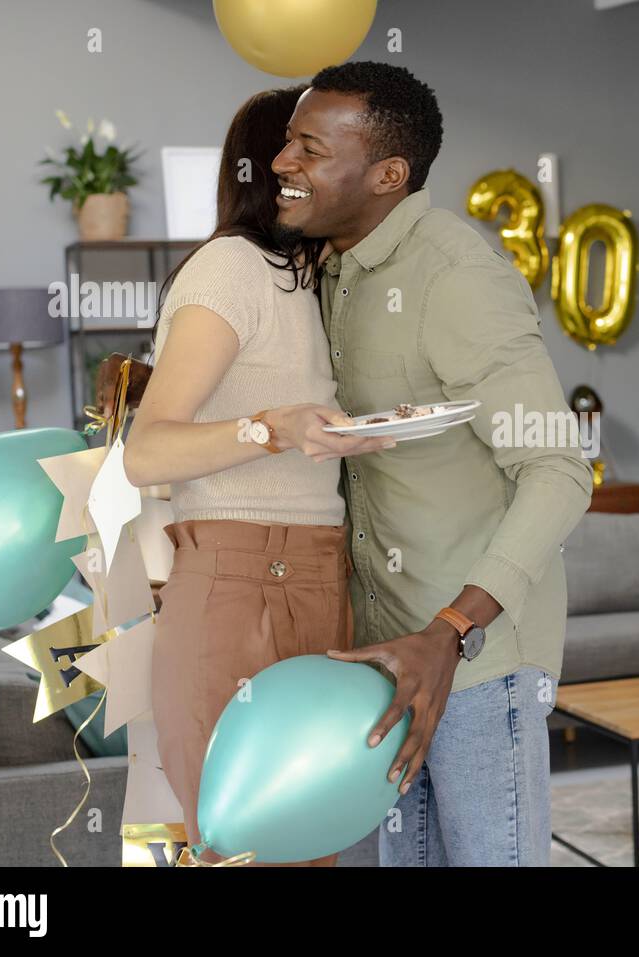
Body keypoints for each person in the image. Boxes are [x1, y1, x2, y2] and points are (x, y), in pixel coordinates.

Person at [272, 61, 593, 866]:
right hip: (382, 654)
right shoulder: (333, 271)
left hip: (474, 658)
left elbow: (560, 468)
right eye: (287, 143)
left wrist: (451, 631)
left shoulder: (455, 277)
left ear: (388, 174)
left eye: (310, 147)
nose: (283, 162)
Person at [121, 86, 391, 866]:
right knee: (243, 847)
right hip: (242, 573)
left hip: (314, 571)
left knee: (310, 846)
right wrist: (271, 428)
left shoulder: (314, 281)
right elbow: (149, 451)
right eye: (312, 147)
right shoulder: (233, 268)